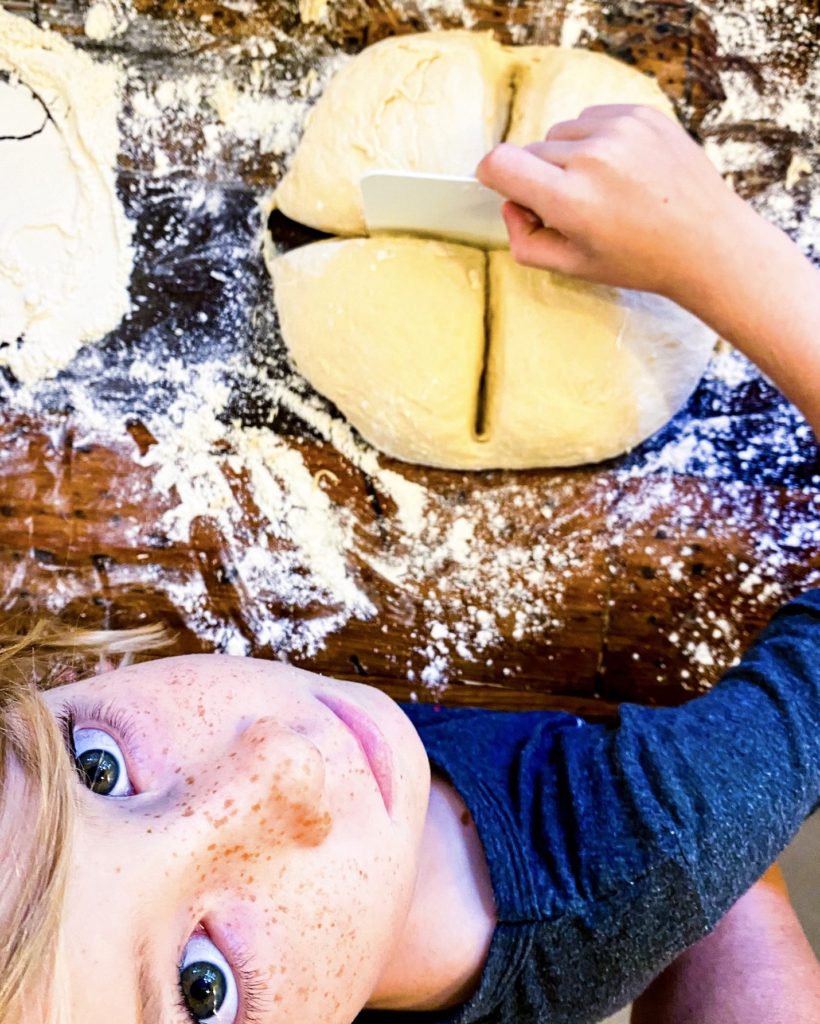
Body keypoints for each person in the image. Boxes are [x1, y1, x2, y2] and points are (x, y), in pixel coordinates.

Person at [1, 105, 819, 1024]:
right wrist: (721, 253)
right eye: (205, 986)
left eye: (98, 768)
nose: (280, 770)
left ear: (57, 684)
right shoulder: (649, 838)